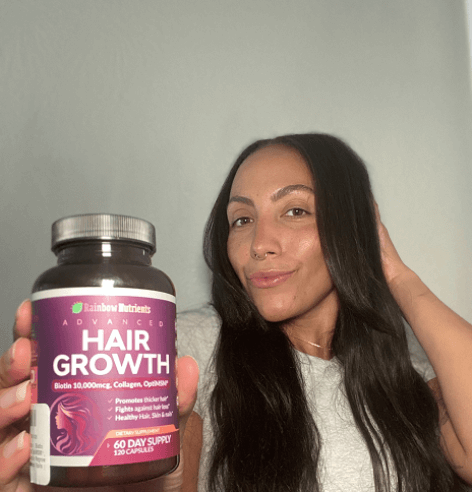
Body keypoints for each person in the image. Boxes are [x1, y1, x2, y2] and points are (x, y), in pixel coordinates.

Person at [1, 133, 471, 491]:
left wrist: (397, 275)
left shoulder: (409, 373)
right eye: (242, 220)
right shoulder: (186, 353)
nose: (259, 244)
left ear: (352, 227)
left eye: (295, 211)